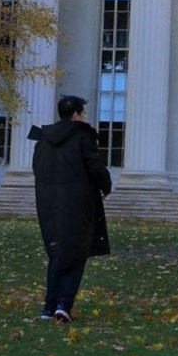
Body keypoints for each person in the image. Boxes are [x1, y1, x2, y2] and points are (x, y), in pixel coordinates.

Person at [29, 95, 111, 322]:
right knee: (77, 251)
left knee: (57, 252)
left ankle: (49, 306)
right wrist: (105, 185)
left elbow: (38, 168)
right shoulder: (82, 137)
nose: (85, 117)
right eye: (83, 113)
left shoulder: (44, 139)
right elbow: (95, 165)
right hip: (78, 202)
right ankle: (63, 303)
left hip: (49, 202)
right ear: (75, 114)